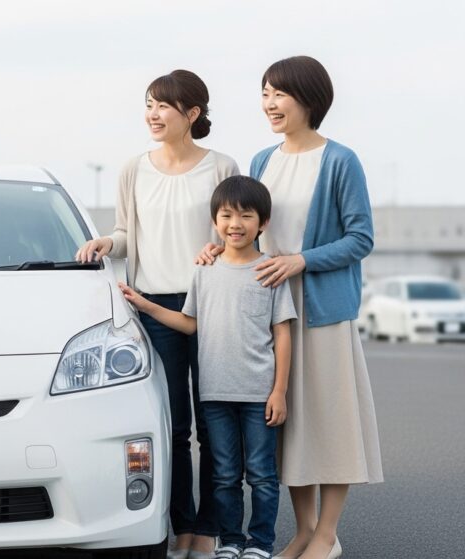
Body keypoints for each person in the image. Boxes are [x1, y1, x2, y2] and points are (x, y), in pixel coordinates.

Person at [199, 56, 383, 559]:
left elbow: (361, 238)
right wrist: (219, 248)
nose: (270, 103)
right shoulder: (262, 160)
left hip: (321, 309)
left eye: (279, 93)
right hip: (269, 307)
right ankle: (303, 531)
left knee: (330, 423)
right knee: (290, 426)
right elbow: (249, 225)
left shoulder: (341, 160)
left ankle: (327, 534)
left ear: (310, 99)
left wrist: (302, 260)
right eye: (265, 93)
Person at [76, 69, 239, 558]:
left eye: (163, 105)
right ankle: (181, 525)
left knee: (213, 424)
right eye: (149, 104)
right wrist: (108, 242)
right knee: (172, 424)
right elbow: (127, 233)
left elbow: (235, 232)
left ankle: (209, 529)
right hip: (153, 307)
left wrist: (217, 249)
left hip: (211, 303)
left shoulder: (221, 167)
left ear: (192, 113)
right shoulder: (134, 169)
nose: (153, 114)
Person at [123, 175, 297, 559]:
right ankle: (231, 541)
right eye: (227, 215)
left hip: (259, 394)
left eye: (246, 216)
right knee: (224, 474)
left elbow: (282, 334)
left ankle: (260, 543)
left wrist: (279, 391)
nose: (236, 224)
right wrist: (145, 304)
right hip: (215, 394)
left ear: (263, 223)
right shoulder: (204, 270)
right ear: (214, 221)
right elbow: (190, 324)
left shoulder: (269, 271)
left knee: (262, 474)